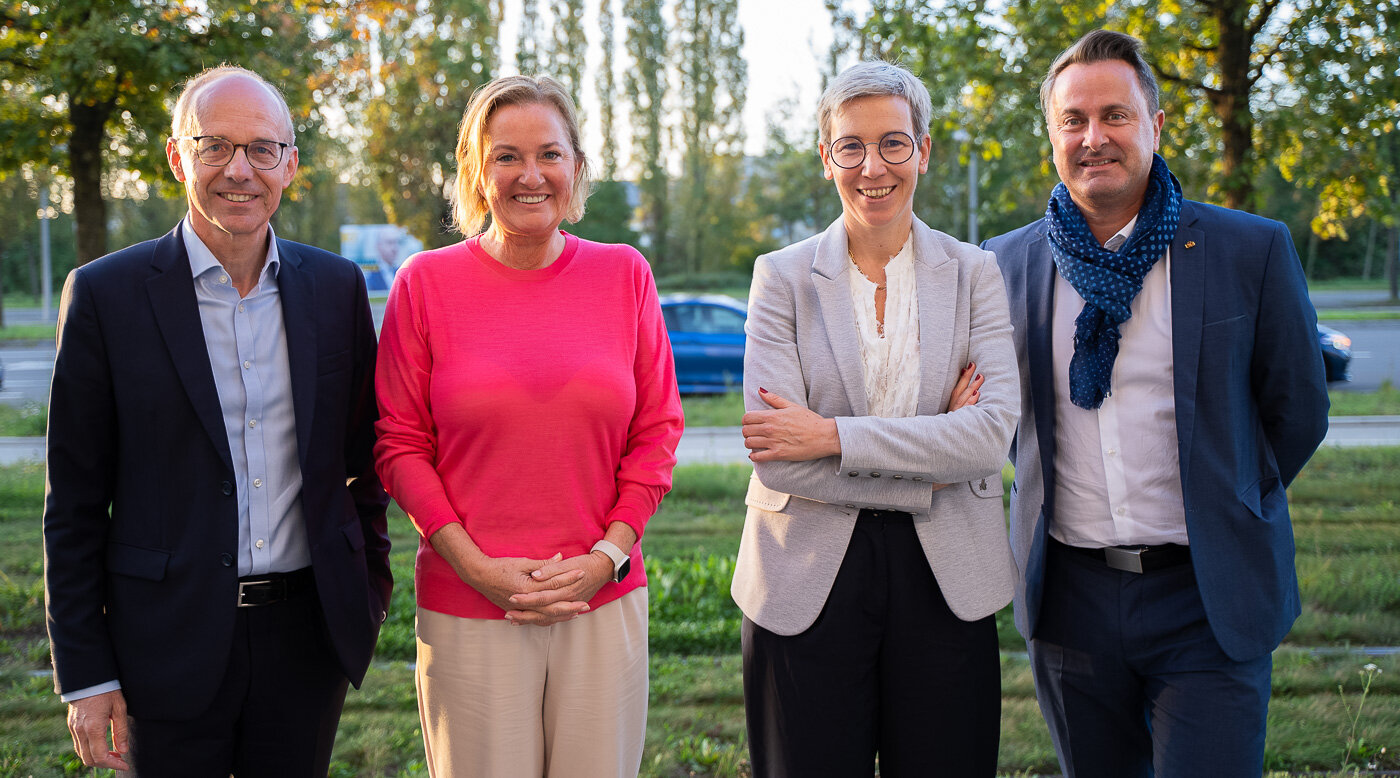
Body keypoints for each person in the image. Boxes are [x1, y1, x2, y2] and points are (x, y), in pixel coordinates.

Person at [983, 29, 1330, 777]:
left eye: (1115, 114)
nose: (1093, 137)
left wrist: (1231, 498)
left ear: (1156, 125)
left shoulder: (1250, 249)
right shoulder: (1001, 265)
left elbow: (1296, 411)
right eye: (1073, 120)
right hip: (1067, 599)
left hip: (1208, 598)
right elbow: (997, 421)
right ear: (1052, 135)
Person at [43, 65, 392, 775]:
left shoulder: (335, 289)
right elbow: (74, 505)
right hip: (162, 640)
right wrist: (86, 673)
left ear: (289, 165)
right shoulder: (106, 297)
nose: (240, 170)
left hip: (306, 637)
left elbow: (365, 462)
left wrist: (367, 590)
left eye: (262, 149)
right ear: (178, 157)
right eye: (214, 146)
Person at [373, 74, 684, 778]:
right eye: (506, 155)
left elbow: (658, 429)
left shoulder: (624, 275)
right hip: (469, 606)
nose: (530, 174)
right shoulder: (424, 284)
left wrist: (605, 557)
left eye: (549, 153)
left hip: (600, 599)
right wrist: (474, 567)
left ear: (575, 166)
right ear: (477, 172)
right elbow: (399, 444)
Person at [733, 60, 1021, 777]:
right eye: (851, 146)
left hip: (946, 575)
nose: (873, 167)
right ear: (826, 157)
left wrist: (830, 436)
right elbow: (779, 454)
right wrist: (932, 458)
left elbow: (989, 439)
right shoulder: (782, 277)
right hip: (804, 577)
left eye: (893, 143)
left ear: (923, 151)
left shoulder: (975, 272)